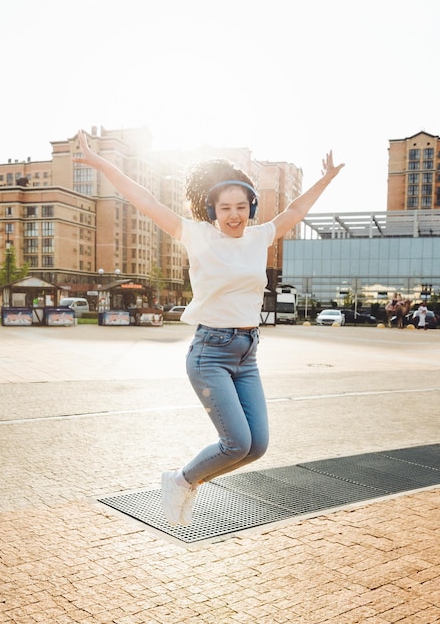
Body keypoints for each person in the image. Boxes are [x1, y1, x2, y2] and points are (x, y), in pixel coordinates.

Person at [74, 130, 344, 526]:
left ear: (251, 206)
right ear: (212, 210)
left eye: (241, 206)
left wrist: (326, 179)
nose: (234, 215)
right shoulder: (195, 234)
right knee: (236, 443)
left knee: (256, 447)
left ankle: (186, 481)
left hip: (247, 353)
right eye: (225, 208)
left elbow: (296, 212)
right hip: (210, 353)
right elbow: (144, 200)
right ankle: (181, 480)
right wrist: (101, 164)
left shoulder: (260, 236)